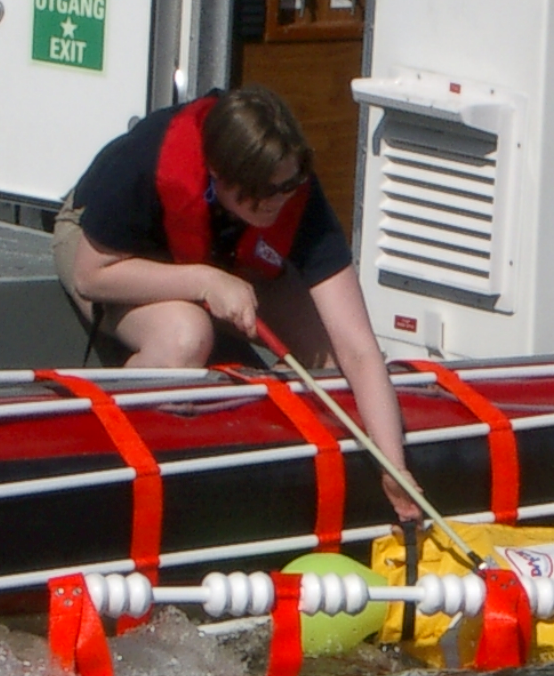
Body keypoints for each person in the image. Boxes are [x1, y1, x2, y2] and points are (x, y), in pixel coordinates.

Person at [54, 85, 418, 518]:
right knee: (185, 336)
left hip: (226, 259)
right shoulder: (145, 158)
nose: (281, 199)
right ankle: (129, 479)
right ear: (219, 176)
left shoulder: (292, 195)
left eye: (291, 184)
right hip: (114, 257)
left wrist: (395, 466)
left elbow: (357, 348)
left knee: (328, 353)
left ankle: (282, 481)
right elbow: (91, 275)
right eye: (267, 190)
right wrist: (204, 281)